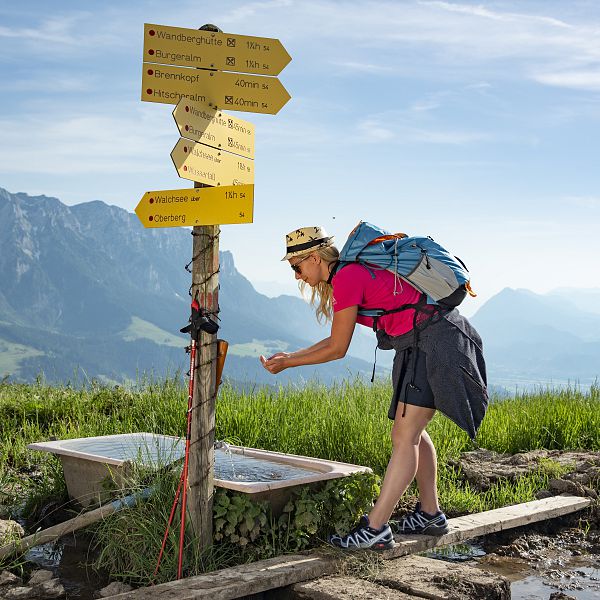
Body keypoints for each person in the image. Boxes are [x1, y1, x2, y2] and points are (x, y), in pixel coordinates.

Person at [260, 226, 488, 551]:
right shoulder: (347, 275)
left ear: (313, 258)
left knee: (405, 436)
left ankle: (376, 528)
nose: (297, 276)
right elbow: (334, 339)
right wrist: (290, 357)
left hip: (434, 341)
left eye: (296, 267)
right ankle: (429, 513)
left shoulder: (348, 276)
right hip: (418, 342)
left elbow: (338, 348)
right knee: (413, 433)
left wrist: (289, 364)